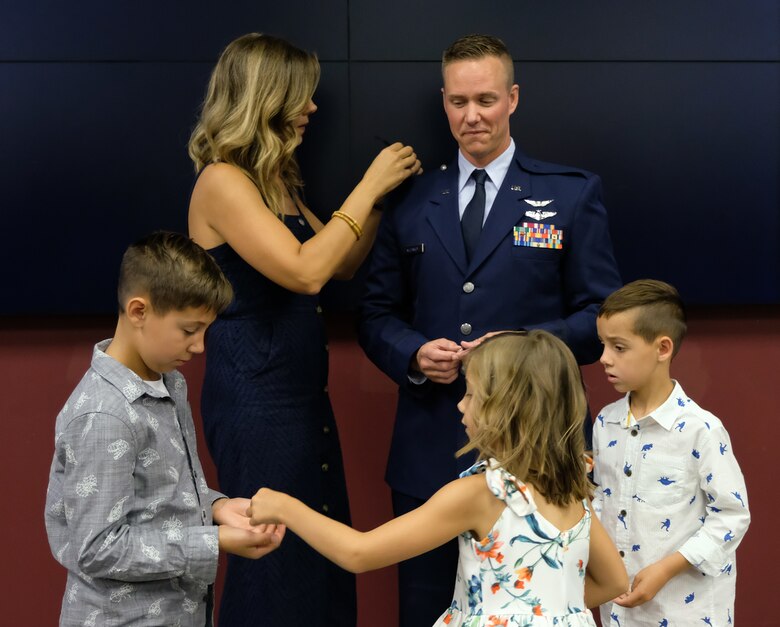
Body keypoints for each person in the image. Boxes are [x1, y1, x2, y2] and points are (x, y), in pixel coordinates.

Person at [359, 33, 622, 623]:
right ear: (444, 103)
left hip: (539, 448)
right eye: (457, 102)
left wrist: (519, 350)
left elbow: (602, 317)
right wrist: (413, 352)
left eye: (485, 99)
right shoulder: (408, 201)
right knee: (424, 609)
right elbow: (374, 315)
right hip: (431, 443)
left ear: (513, 98)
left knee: (539, 606)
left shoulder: (571, 194)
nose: (471, 116)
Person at [186, 33, 421, 626]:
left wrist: (383, 203)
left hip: (299, 400)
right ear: (265, 97)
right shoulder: (221, 181)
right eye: (301, 96)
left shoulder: (275, 181)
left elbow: (339, 259)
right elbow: (306, 272)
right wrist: (366, 184)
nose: (312, 108)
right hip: (255, 401)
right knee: (272, 559)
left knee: (319, 552)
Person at [248, 331, 629, 626]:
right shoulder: (571, 489)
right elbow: (613, 582)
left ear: (507, 410)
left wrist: (285, 506)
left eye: (472, 395)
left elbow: (358, 553)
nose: (461, 405)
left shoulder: (480, 493)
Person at [44, 231, 285, 627]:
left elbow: (160, 494)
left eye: (206, 331)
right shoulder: (105, 417)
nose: (199, 346)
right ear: (139, 311)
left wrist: (217, 507)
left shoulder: (169, 382)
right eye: (189, 330)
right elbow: (98, 547)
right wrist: (214, 541)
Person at [593, 279, 751, 626]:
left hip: (686, 611)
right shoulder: (605, 422)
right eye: (602, 345)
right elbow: (603, 500)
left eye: (619, 347)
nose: (604, 358)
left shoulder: (701, 430)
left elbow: (732, 515)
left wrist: (667, 568)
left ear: (662, 348)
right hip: (619, 608)